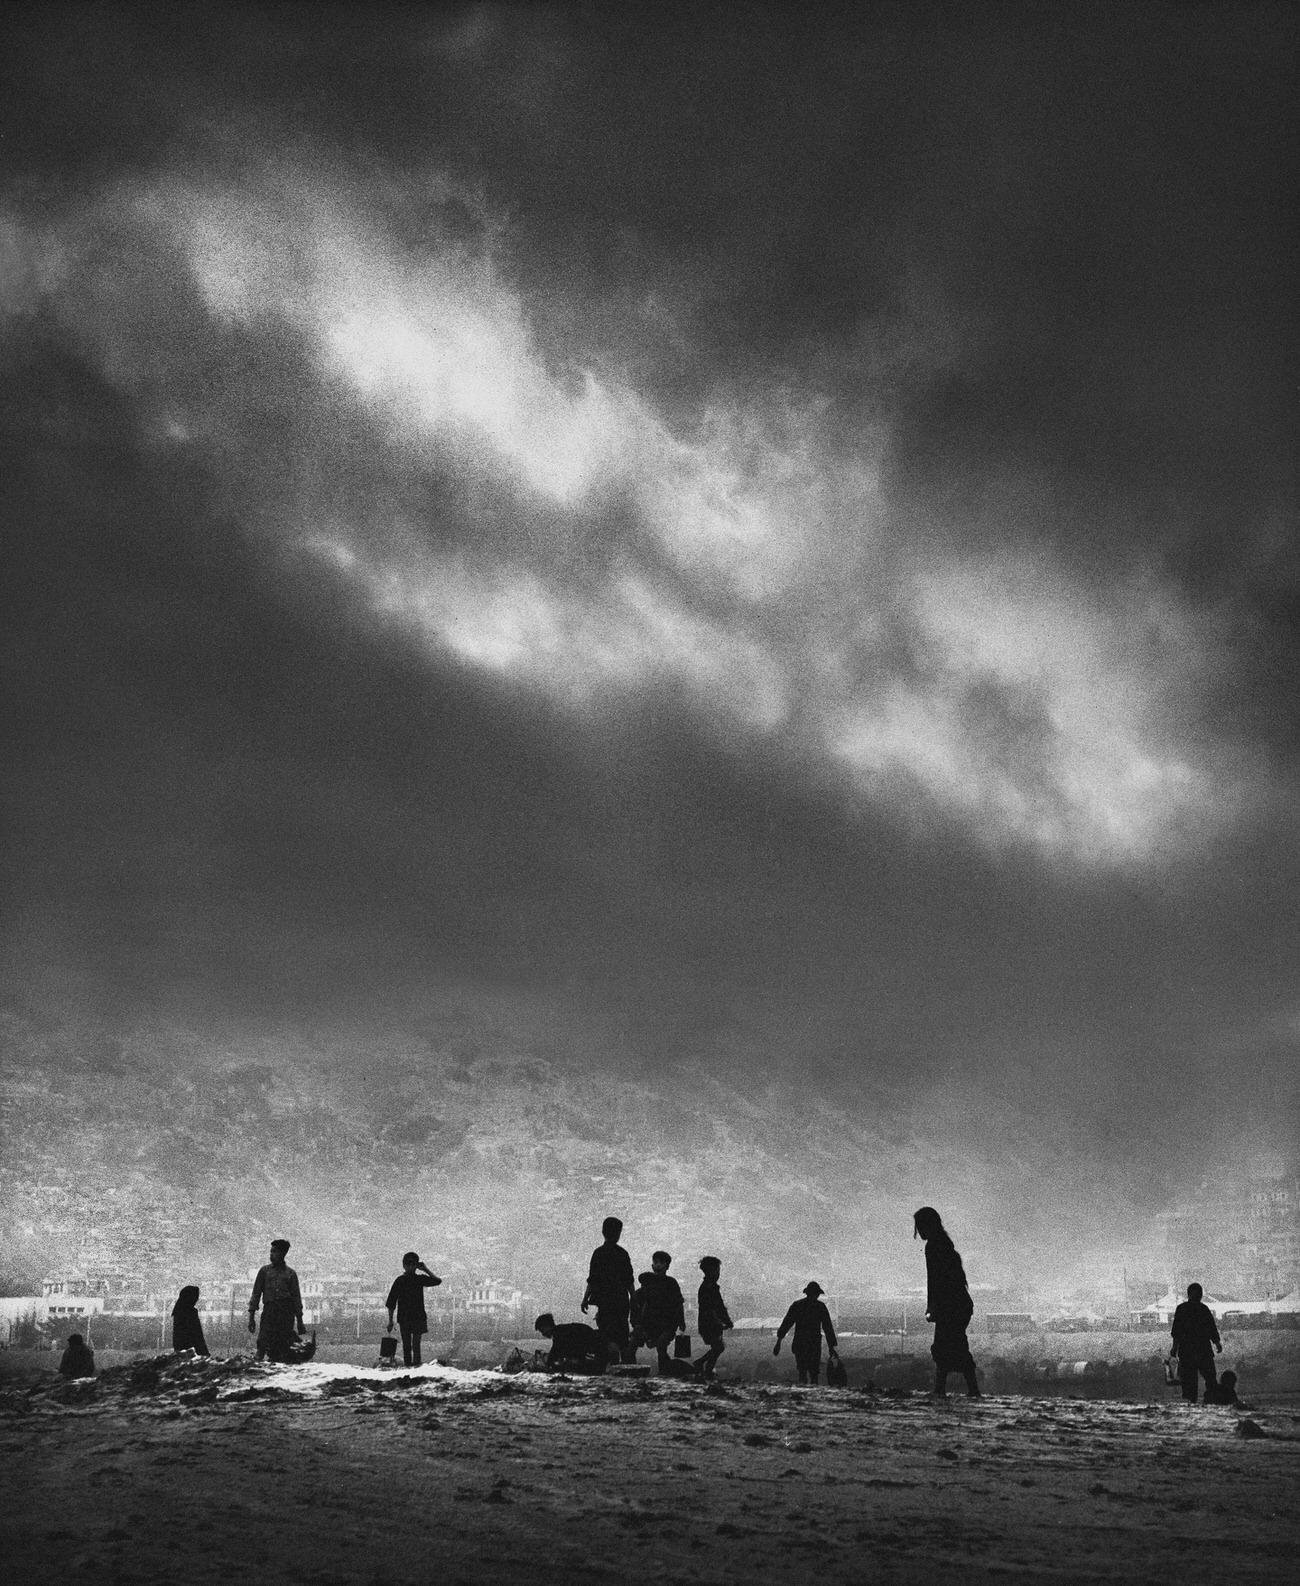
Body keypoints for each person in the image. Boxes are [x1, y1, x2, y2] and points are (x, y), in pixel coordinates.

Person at [914, 1206, 980, 1398]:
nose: (918, 1232)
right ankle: (966, 1390)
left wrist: (931, 1307)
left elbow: (934, 1280)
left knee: (946, 1347)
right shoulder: (944, 1243)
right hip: (958, 1305)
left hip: (950, 1307)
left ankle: (944, 1390)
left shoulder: (933, 1247)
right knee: (953, 1346)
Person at [581, 1216, 636, 1364]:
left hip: (605, 1302)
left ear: (603, 1232)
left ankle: (613, 1366)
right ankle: (627, 1368)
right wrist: (634, 1298)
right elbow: (629, 1280)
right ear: (618, 1233)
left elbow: (592, 1280)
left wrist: (585, 1298)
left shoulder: (598, 1253)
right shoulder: (622, 1254)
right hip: (621, 1301)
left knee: (608, 1336)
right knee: (622, 1336)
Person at [247, 1238, 305, 1363]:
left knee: (282, 1343)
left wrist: (300, 1320)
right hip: (270, 1310)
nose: (271, 1255)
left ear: (282, 1254)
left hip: (286, 1312)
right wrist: (251, 1316)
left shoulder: (290, 1274)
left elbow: (296, 1298)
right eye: (271, 1252)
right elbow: (256, 1294)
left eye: (274, 1252)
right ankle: (258, 1362)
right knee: (263, 1340)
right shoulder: (264, 1271)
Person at [774, 1282, 839, 1385]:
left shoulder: (797, 1305)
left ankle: (803, 1389)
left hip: (800, 1343)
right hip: (814, 1344)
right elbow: (828, 1328)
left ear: (807, 1293)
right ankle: (813, 1392)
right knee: (814, 1372)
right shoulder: (820, 1307)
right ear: (817, 1294)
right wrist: (832, 1347)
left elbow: (786, 1324)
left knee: (802, 1370)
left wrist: (779, 1341)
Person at [385, 1252, 442, 1367]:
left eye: (413, 1265)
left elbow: (437, 1281)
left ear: (416, 1265)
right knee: (408, 1346)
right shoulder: (401, 1281)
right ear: (404, 1265)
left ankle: (414, 1368)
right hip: (409, 1318)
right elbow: (392, 1302)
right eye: (409, 1264)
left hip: (415, 1318)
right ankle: (410, 1369)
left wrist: (425, 1269)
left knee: (415, 1346)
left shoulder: (417, 1279)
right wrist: (390, 1321)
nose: (411, 1267)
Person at [634, 1251, 687, 1374]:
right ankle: (632, 1370)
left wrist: (681, 1321)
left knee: (661, 1346)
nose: (658, 1265)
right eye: (656, 1262)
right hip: (649, 1324)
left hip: (667, 1324)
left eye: (662, 1263)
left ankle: (663, 1371)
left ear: (667, 1266)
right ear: (652, 1265)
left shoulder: (671, 1283)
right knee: (633, 1344)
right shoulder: (647, 1285)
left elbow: (678, 1304)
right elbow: (639, 1305)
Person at [1171, 1282, 1222, 1404]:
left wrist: (1174, 1348)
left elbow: (1176, 1331)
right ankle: (1213, 1400)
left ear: (1188, 1294)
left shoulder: (1181, 1309)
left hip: (1186, 1351)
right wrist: (1217, 1343)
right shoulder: (1203, 1309)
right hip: (1203, 1350)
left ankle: (1191, 1402)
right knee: (1210, 1378)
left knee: (1189, 1380)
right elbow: (1211, 1328)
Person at [694, 1256, 733, 1379]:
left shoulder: (707, 1286)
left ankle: (703, 1366)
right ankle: (706, 1369)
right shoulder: (709, 1288)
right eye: (717, 1270)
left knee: (717, 1347)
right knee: (718, 1347)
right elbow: (713, 1308)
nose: (718, 1273)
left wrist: (725, 1320)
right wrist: (722, 1321)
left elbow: (718, 1307)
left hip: (708, 1323)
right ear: (711, 1271)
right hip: (710, 1323)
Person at [534, 1313, 609, 1374]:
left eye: (541, 1330)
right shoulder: (561, 1331)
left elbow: (555, 1352)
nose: (542, 1333)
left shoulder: (559, 1334)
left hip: (597, 1349)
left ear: (546, 1326)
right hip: (596, 1347)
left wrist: (549, 1364)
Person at [171, 1285, 210, 1356]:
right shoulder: (191, 1312)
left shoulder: (178, 1312)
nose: (197, 1299)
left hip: (181, 1349)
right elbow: (197, 1335)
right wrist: (204, 1353)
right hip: (193, 1349)